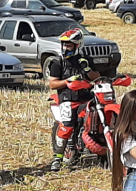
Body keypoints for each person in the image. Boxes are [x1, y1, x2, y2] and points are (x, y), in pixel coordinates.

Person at [48, 28, 100, 171]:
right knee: (67, 125)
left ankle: (102, 153)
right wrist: (67, 81)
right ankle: (57, 158)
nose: (65, 48)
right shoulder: (57, 62)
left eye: (69, 45)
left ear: (78, 46)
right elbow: (52, 84)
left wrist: (88, 70)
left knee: (97, 120)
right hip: (67, 98)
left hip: (87, 98)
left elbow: (97, 77)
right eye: (64, 45)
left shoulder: (86, 60)